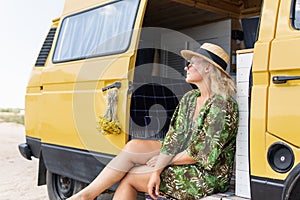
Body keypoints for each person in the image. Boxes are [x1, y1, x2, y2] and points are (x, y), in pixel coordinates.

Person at [68, 43, 239, 200]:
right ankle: (87, 194)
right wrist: (157, 169)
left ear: (208, 68)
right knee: (133, 147)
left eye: (192, 63)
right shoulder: (190, 98)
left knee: (131, 177)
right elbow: (174, 138)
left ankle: (86, 197)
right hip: (181, 154)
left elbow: (200, 154)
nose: (186, 67)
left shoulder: (222, 105)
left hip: (206, 174)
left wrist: (162, 161)